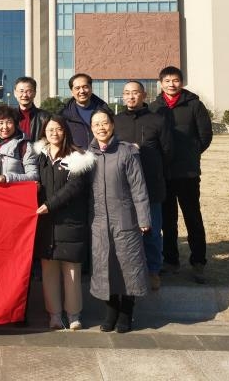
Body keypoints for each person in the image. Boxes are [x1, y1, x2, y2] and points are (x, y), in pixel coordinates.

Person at [87, 109, 150, 333]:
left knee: (128, 265)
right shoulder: (87, 155)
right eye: (96, 124)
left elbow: (139, 188)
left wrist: (143, 218)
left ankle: (126, 311)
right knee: (105, 266)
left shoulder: (127, 151)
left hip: (125, 219)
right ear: (91, 128)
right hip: (99, 222)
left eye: (105, 123)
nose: (101, 128)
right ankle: (111, 310)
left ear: (112, 125)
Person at [150, 66, 213, 284]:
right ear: (161, 83)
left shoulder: (194, 105)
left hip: (187, 173)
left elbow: (205, 135)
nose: (171, 84)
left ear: (182, 82)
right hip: (164, 173)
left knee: (192, 217)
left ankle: (198, 262)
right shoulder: (154, 107)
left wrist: (192, 153)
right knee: (167, 221)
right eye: (167, 81)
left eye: (175, 80)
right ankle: (170, 260)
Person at [32, 114, 95, 330]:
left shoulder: (77, 157)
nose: (54, 133)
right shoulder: (39, 157)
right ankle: (55, 315)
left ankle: (74, 314)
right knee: (49, 271)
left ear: (65, 131)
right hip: (45, 224)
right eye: (50, 129)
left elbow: (74, 188)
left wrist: (49, 205)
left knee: (71, 272)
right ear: (44, 132)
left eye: (58, 129)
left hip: (70, 222)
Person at [114, 81, 173, 290]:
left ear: (144, 95)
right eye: (127, 93)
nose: (131, 97)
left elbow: (167, 152)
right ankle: (126, 270)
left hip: (151, 186)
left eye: (135, 93)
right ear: (122, 96)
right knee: (124, 231)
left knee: (152, 230)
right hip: (122, 187)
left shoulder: (157, 121)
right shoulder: (116, 121)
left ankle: (153, 270)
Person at [0, 104, 39, 184]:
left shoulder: (24, 146)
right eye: (1, 123)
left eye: (9, 122)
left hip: (14, 191)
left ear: (15, 123)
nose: (5, 127)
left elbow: (33, 176)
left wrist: (7, 178)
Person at [59, 73, 112, 148]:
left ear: (91, 88)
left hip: (104, 154)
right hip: (76, 155)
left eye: (85, 87)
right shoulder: (64, 116)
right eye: (77, 88)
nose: (82, 91)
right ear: (72, 92)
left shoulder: (106, 112)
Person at [13, 76, 51, 141]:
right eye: (21, 91)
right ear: (15, 93)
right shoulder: (10, 116)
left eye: (29, 91)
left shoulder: (46, 117)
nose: (24, 95)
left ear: (35, 93)